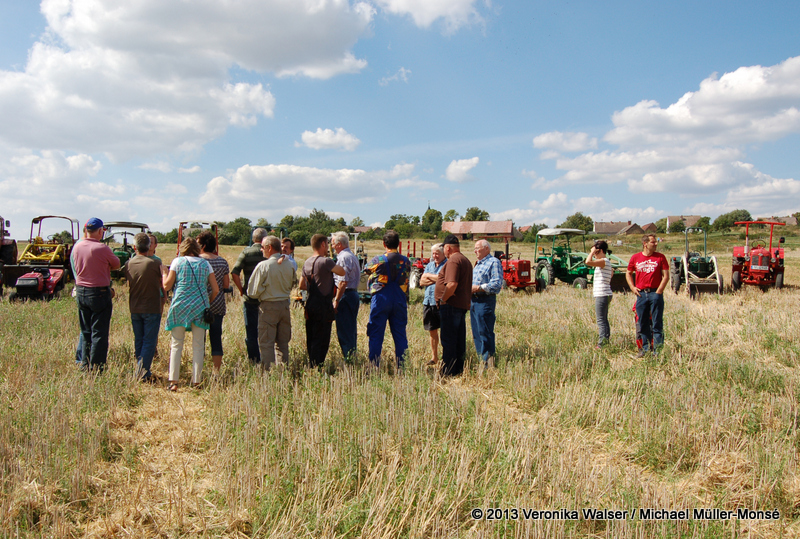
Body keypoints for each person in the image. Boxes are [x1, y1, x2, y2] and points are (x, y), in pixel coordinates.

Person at [163, 238, 219, 391]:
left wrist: (164, 274)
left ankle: (173, 381)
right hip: (199, 307)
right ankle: (196, 381)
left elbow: (167, 285)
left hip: (180, 305)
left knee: (176, 344)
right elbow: (215, 289)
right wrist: (207, 301)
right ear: (197, 248)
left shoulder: (177, 262)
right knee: (198, 345)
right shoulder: (205, 264)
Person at [72, 218, 121, 372]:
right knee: (99, 332)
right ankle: (97, 367)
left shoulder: (77, 247)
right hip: (99, 292)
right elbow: (117, 264)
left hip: (81, 291)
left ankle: (84, 365)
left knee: (86, 331)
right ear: (100, 231)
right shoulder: (102, 248)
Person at [247, 235, 295, 370]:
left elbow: (252, 292)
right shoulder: (289, 264)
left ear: (269, 248)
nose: (261, 250)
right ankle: (282, 372)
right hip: (284, 306)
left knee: (266, 343)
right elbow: (292, 283)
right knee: (283, 343)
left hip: (268, 307)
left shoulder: (263, 266)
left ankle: (268, 373)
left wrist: (264, 289)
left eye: (262, 247)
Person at [365, 230, 410, 369]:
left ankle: (374, 366)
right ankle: (402, 368)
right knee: (400, 334)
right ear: (398, 243)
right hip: (399, 298)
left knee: (376, 333)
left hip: (381, 298)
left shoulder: (378, 260)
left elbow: (366, 269)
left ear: (384, 243)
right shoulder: (405, 260)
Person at [123, 232, 165, 381]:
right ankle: (142, 372)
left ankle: (140, 368)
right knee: (149, 340)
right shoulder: (155, 263)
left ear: (134, 247)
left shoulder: (129, 263)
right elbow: (163, 284)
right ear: (149, 246)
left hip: (135, 307)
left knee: (139, 339)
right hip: (152, 307)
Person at [299, 234, 345, 369]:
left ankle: (311, 364)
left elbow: (302, 285)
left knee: (311, 336)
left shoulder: (307, 262)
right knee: (322, 338)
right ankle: (317, 366)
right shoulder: (326, 262)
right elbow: (341, 272)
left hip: (310, 304)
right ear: (323, 244)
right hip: (323, 306)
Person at [434, 235, 473, 376]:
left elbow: (451, 284)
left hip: (451, 306)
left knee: (449, 339)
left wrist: (443, 299)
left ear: (447, 248)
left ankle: (449, 371)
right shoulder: (465, 260)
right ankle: (458, 368)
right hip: (459, 306)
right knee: (458, 339)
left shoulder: (453, 260)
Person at [626, 234, 669, 357]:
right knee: (643, 323)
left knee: (656, 323)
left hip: (655, 293)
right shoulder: (635, 258)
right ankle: (644, 350)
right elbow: (628, 273)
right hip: (641, 295)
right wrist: (632, 287)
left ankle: (657, 352)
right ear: (645, 244)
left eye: (656, 242)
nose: (656, 244)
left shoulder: (660, 258)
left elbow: (666, 276)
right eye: (653, 242)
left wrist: (659, 291)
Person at [231, 228, 267, 364]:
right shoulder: (269, 253)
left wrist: (241, 289)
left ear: (253, 238)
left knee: (251, 331)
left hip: (250, 298)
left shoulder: (246, 252)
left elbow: (235, 272)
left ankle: (254, 360)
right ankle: (267, 359)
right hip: (266, 298)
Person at [198, 231, 229, 374]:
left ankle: (199, 368)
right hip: (218, 304)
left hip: (200, 304)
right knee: (216, 337)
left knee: (199, 338)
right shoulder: (222, 261)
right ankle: (216, 371)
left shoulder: (197, 260)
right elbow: (226, 285)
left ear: (203, 245)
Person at [470, 239, 503, 369]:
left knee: (485, 331)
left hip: (485, 301)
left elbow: (496, 284)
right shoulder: (478, 264)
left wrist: (478, 288)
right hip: (474, 301)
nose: (475, 251)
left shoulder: (493, 262)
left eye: (477, 248)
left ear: (486, 249)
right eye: (474, 248)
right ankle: (481, 359)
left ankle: (489, 362)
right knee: (476, 332)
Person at [331, 231, 361, 361]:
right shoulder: (351, 256)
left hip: (345, 295)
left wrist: (336, 300)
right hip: (352, 294)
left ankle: (349, 359)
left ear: (338, 244)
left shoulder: (343, 258)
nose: (331, 246)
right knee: (350, 329)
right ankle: (352, 356)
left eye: (332, 243)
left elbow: (343, 282)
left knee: (344, 330)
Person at [419, 243, 447, 364]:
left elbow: (445, 280)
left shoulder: (447, 265)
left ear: (443, 254)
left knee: (445, 331)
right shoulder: (430, 265)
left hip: (441, 302)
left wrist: (429, 276)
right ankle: (434, 357)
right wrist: (437, 279)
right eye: (433, 253)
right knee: (432, 330)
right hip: (428, 302)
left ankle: (446, 357)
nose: (435, 256)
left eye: (437, 253)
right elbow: (421, 282)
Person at [586, 240, 613, 349]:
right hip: (605, 293)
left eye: (596, 252)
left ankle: (602, 344)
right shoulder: (606, 262)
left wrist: (591, 252)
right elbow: (611, 274)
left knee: (601, 320)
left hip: (602, 294)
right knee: (604, 319)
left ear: (600, 250)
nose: (595, 255)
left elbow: (587, 262)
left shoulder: (603, 261)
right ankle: (605, 341)